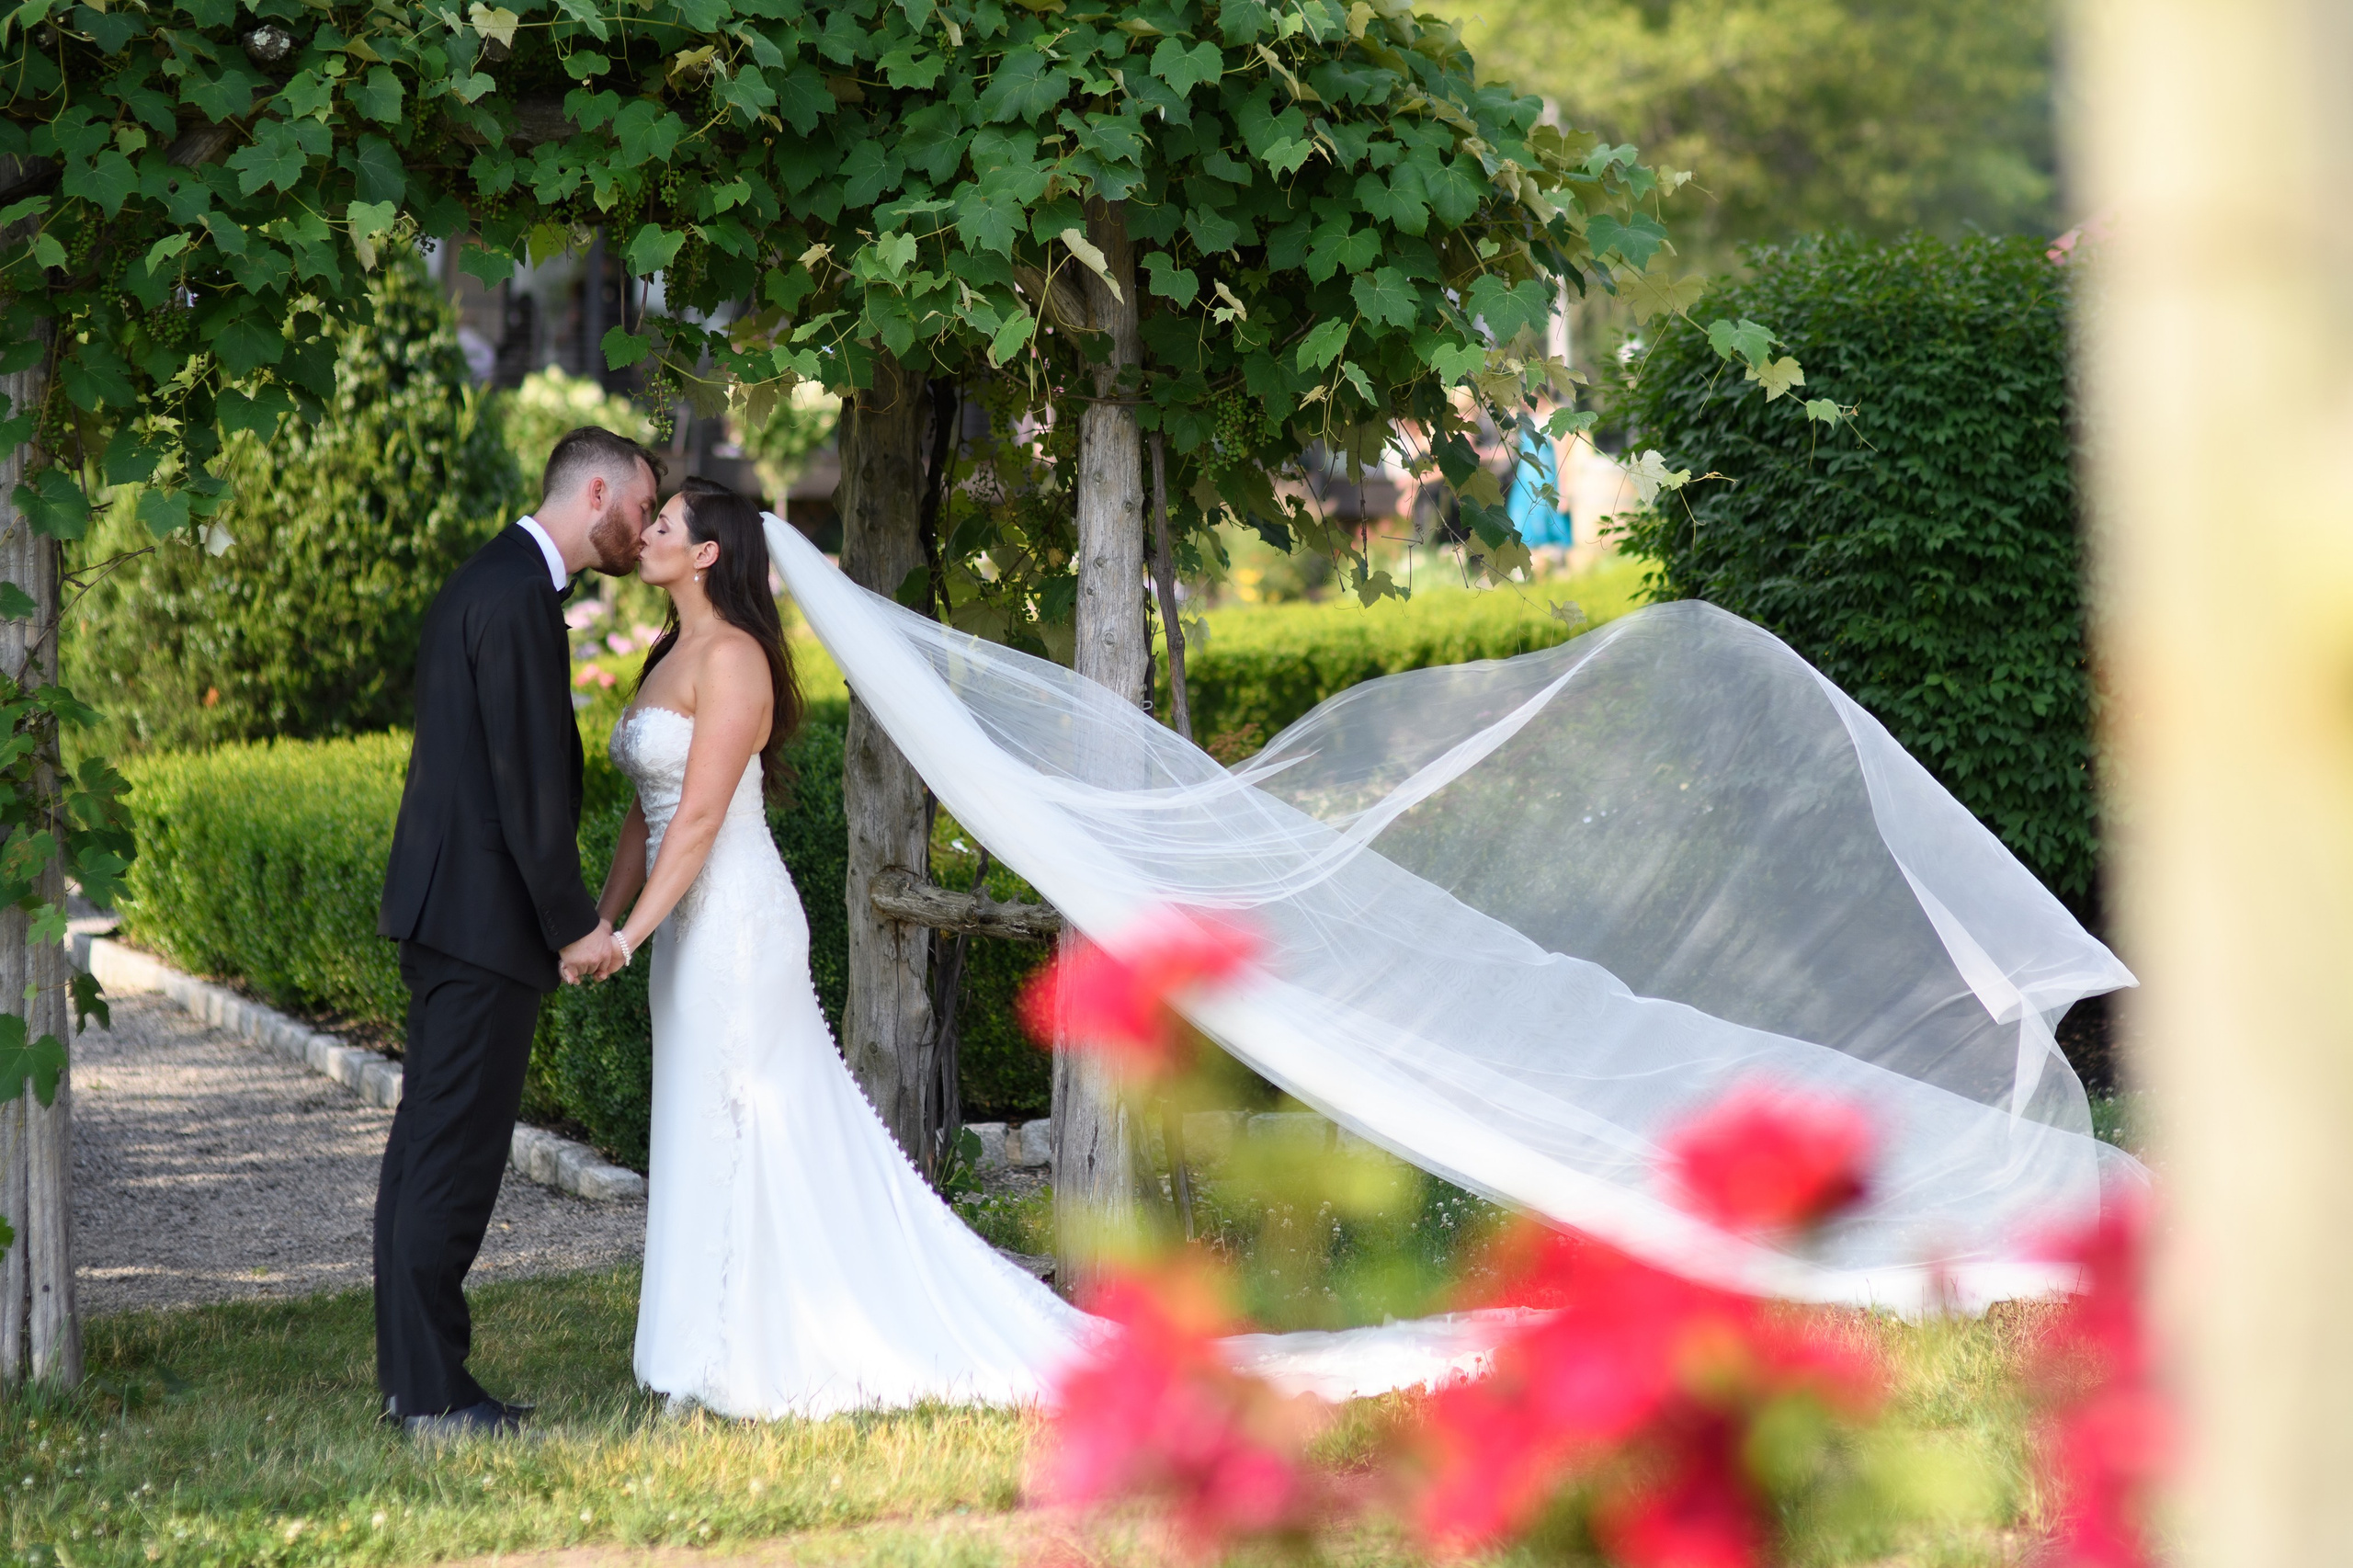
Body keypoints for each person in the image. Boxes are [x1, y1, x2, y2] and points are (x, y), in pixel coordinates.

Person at [596, 478, 1095, 1416]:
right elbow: (646, 812)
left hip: (734, 922)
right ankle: (696, 1341)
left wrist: (625, 938)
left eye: (663, 524)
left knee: (744, 1113)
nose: (646, 532)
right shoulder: (669, 654)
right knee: (700, 1111)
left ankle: (739, 1346)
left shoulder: (734, 658)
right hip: (683, 925)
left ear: (706, 553)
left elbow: (698, 820)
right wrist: (604, 915)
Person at [374, 426, 661, 1439]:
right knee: (451, 1157)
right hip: (479, 921)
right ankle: (431, 1396)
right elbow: (526, 788)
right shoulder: (515, 595)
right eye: (642, 506)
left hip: (454, 912)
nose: (644, 529)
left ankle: (418, 1381)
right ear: (597, 493)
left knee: (429, 1148)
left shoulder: (494, 578)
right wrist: (575, 926)